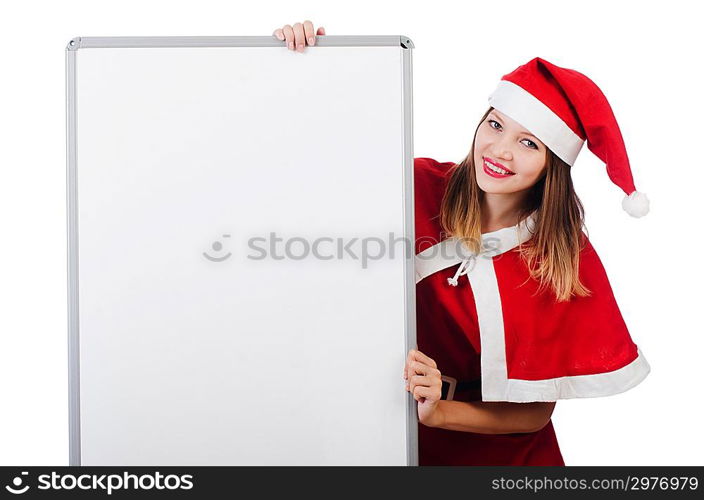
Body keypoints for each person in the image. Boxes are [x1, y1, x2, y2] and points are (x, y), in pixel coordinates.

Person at [272, 21, 651, 466]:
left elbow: (532, 414)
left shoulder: (565, 260)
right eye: (495, 125)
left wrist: (440, 411)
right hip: (385, 436)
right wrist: (303, 64)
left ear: (554, 164)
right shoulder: (412, 186)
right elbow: (317, 157)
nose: (500, 150)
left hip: (505, 462)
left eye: (528, 142)